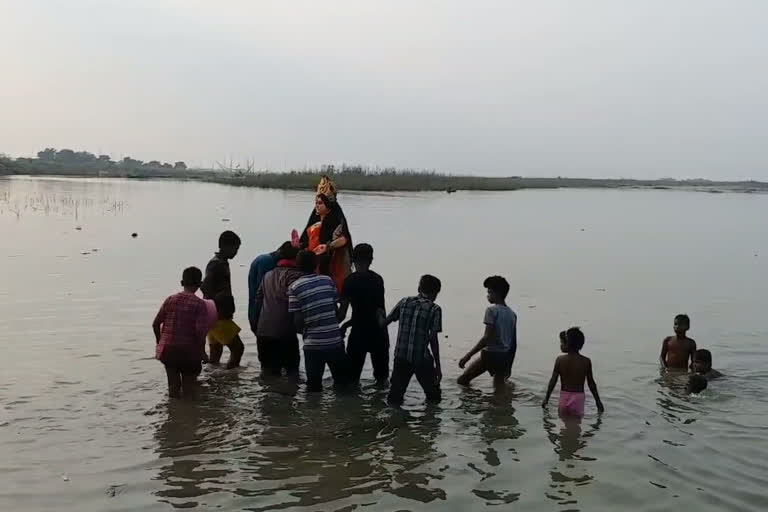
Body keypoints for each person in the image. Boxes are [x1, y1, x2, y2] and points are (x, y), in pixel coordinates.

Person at [288, 250, 347, 392]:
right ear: (316, 264)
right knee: (342, 386)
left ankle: (314, 414)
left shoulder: (294, 287)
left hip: (313, 346)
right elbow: (337, 313)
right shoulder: (327, 280)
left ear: (298, 266)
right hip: (334, 342)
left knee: (313, 389)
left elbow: (297, 323)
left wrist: (307, 331)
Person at [152, 267, 211, 398]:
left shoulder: (170, 300)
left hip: (168, 352)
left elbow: (155, 324)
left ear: (181, 282)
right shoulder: (200, 304)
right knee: (189, 390)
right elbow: (200, 333)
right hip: (188, 354)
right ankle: (188, 415)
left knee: (173, 388)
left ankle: (172, 414)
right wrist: (203, 354)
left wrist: (159, 343)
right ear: (200, 285)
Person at [386, 275, 443, 405]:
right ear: (435, 293)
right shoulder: (435, 309)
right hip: (421, 359)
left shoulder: (404, 302)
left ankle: (396, 423)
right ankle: (429, 423)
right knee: (434, 398)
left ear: (419, 288)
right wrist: (438, 367)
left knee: (394, 398)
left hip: (401, 357)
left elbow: (386, 322)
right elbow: (433, 340)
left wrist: (378, 316)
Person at [338, 243, 389, 386]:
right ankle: (381, 407)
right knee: (382, 380)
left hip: (358, 334)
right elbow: (379, 311)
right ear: (371, 259)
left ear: (353, 259)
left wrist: (341, 325)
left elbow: (342, 313)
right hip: (378, 334)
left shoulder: (349, 281)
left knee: (351, 379)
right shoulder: (377, 279)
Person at [457, 276, 518, 389]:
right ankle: (498, 405)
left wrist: (467, 356)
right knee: (499, 389)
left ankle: (474, 403)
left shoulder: (491, 310)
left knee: (462, 380)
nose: (487, 295)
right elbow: (513, 343)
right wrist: (509, 364)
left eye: (489, 292)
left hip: (490, 355)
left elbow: (486, 338)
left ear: (497, 293)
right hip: (504, 357)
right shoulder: (512, 314)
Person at [253, 244, 304, 378]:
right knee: (292, 375)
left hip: (263, 333)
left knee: (267, 374)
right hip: (285, 333)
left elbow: (257, 302)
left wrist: (256, 325)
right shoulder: (296, 276)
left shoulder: (267, 275)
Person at [299, 176, 353, 292]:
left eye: (320, 203)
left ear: (328, 206)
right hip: (313, 263)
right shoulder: (315, 222)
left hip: (332, 265)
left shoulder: (336, 222)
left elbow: (344, 239)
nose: (317, 206)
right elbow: (304, 239)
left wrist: (328, 246)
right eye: (316, 203)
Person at [542, 328, 604, 416]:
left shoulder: (560, 360)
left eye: (562, 342)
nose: (560, 345)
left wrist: (546, 399)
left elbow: (553, 381)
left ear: (568, 344)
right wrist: (598, 402)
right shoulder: (586, 361)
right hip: (578, 398)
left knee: (563, 424)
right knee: (577, 426)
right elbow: (591, 384)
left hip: (564, 397)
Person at [202, 230, 241, 364]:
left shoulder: (220, 262)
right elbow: (205, 286)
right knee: (238, 348)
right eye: (235, 248)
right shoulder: (217, 264)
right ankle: (232, 380)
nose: (236, 252)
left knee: (216, 352)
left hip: (212, 315)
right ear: (225, 246)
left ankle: (214, 381)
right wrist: (221, 299)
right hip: (219, 316)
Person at [248, 241, 295, 333]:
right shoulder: (267, 262)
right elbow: (263, 292)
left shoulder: (263, 259)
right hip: (263, 317)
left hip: (257, 314)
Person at [207, 293, 245, 369]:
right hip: (221, 319)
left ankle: (212, 376)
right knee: (237, 348)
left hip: (212, 317)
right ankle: (230, 373)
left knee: (215, 351)